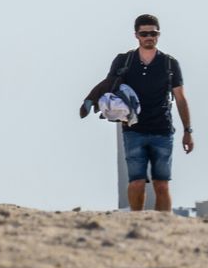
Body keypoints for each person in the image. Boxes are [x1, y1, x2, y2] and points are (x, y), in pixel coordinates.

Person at [79, 14, 193, 212]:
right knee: (136, 182)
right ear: (136, 35)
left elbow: (181, 98)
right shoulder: (125, 60)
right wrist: (90, 100)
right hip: (133, 130)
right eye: (144, 33)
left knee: (162, 183)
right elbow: (108, 85)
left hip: (163, 130)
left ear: (159, 34)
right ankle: (137, 220)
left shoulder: (169, 64)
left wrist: (188, 130)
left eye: (153, 33)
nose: (149, 37)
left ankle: (163, 226)